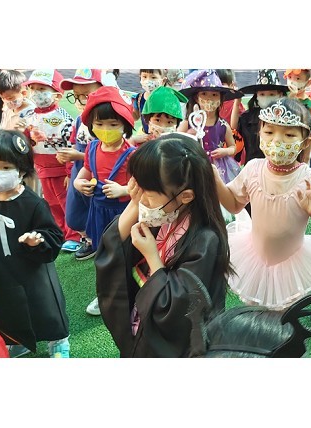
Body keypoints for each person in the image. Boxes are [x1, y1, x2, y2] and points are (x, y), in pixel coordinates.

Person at [95, 135, 230, 357]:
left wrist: (152, 256)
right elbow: (112, 249)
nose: (142, 202)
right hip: (143, 324)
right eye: (136, 190)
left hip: (175, 344)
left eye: (146, 196)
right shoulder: (165, 213)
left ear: (186, 196)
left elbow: (178, 308)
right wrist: (134, 203)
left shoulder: (205, 240)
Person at [214, 97, 311, 310]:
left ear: (305, 143)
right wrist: (215, 180)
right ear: (259, 134)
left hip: (291, 265)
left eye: (289, 135)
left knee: (284, 314)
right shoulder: (253, 168)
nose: (277, 141)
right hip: (254, 257)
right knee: (256, 311)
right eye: (269, 132)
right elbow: (234, 204)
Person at [0, 130, 70, 358]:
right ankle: (19, 341)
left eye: (5, 167)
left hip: (31, 270)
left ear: (21, 169)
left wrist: (37, 240)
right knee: (8, 308)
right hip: (1, 269)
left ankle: (58, 341)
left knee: (44, 308)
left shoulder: (33, 203)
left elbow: (52, 234)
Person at [72, 86, 136, 316]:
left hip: (123, 213)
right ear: (91, 125)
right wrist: (78, 183)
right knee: (102, 253)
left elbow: (140, 186)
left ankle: (129, 294)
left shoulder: (132, 154)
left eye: (113, 124)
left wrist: (123, 189)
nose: (105, 130)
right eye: (99, 124)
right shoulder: (91, 148)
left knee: (125, 255)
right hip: (98, 212)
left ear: (125, 125)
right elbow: (85, 173)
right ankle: (105, 293)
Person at [22, 69, 81, 252]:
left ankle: (74, 235)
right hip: (41, 167)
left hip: (60, 168)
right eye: (33, 89)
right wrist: (26, 135)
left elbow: (71, 144)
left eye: (42, 89)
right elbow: (26, 140)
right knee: (51, 203)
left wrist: (69, 171)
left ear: (57, 95)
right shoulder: (29, 116)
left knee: (66, 202)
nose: (36, 93)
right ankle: (60, 232)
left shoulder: (64, 118)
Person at [59, 69, 105, 262]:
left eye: (86, 95)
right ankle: (87, 238)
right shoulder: (79, 120)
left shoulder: (105, 122)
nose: (80, 101)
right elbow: (74, 142)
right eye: (76, 96)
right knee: (74, 214)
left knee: (98, 210)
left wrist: (77, 155)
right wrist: (69, 169)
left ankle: (97, 241)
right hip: (78, 172)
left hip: (97, 174)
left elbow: (108, 151)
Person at [178, 69, 243, 185]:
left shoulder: (223, 125)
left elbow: (233, 147)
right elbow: (174, 142)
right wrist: (187, 137)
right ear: (197, 98)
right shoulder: (188, 123)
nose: (209, 99)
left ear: (221, 99)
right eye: (204, 94)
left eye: (214, 95)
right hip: (194, 166)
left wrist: (225, 151)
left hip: (219, 169)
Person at [232, 69, 288, 165]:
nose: (266, 97)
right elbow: (234, 127)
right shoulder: (248, 117)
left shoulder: (286, 116)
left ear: (280, 95)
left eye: (271, 94)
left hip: (279, 164)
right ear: (256, 96)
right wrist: (236, 103)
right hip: (253, 166)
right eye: (262, 94)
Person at [284, 69, 311, 156]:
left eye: (298, 79)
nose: (292, 82)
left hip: (297, 152)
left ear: (308, 83)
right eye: (289, 77)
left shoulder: (309, 106)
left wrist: (306, 156)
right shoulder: (279, 97)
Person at [132, 69, 166, 134]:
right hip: (145, 134)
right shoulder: (139, 98)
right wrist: (127, 107)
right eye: (144, 76)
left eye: (153, 77)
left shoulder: (166, 99)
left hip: (161, 135)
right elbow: (136, 117)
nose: (148, 81)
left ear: (163, 81)